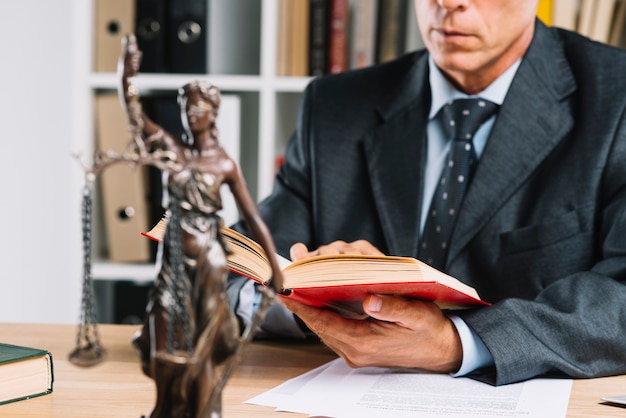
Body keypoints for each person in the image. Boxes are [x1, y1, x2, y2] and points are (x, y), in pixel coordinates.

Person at [229, 0, 626, 386]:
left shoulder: (616, 99)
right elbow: (234, 270)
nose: (449, 3)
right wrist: (318, 301)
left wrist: (455, 344)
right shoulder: (334, 107)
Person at [118, 35, 285, 417]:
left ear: (213, 111)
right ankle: (166, 409)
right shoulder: (173, 152)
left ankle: (204, 409)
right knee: (163, 339)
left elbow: (254, 216)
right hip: (173, 259)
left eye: (197, 107)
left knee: (204, 347)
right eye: (184, 107)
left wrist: (274, 271)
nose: (189, 113)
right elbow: (135, 116)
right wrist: (127, 74)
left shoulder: (224, 164)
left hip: (209, 263)